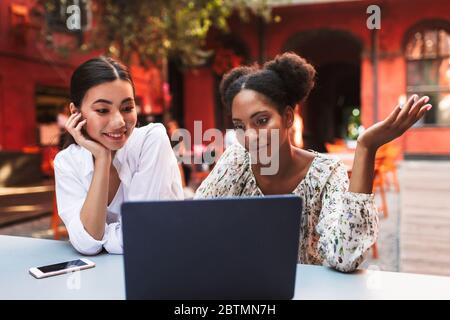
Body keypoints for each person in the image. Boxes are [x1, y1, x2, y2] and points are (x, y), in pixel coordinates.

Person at [194, 52, 432, 272]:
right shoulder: (236, 162)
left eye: (261, 120)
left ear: (288, 117)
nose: (250, 136)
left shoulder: (325, 174)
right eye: (239, 126)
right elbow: (194, 225)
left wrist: (366, 147)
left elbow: (345, 256)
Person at [54, 56, 183, 255]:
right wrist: (102, 159)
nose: (118, 122)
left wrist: (104, 237)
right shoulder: (67, 162)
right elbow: (87, 244)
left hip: (159, 266)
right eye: (103, 110)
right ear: (75, 112)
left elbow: (143, 236)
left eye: (127, 108)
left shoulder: (151, 140)